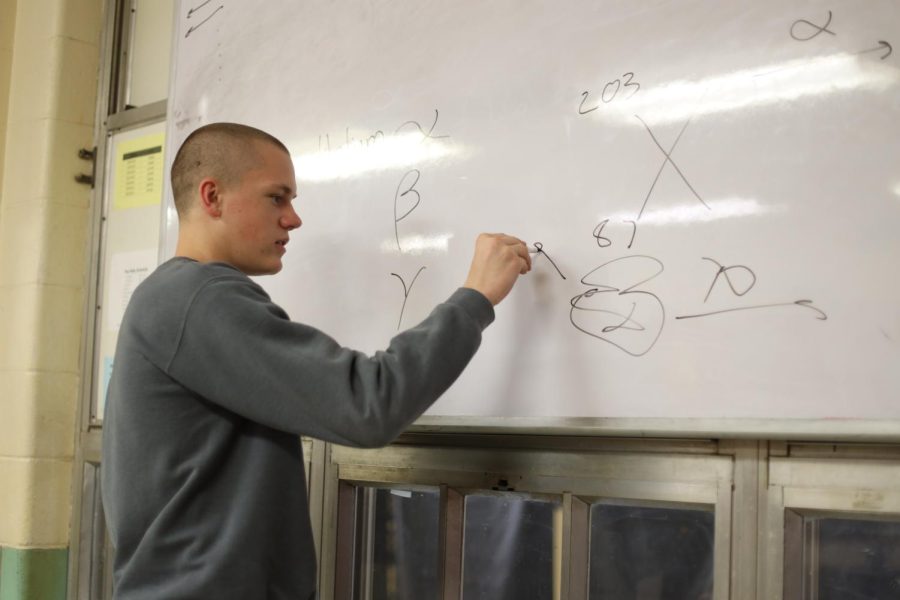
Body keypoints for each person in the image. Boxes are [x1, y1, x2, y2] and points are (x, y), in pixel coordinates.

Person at [101, 122, 531, 599]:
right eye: (276, 197)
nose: (293, 219)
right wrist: (475, 298)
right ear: (212, 196)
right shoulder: (198, 298)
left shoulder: (172, 298)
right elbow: (367, 404)